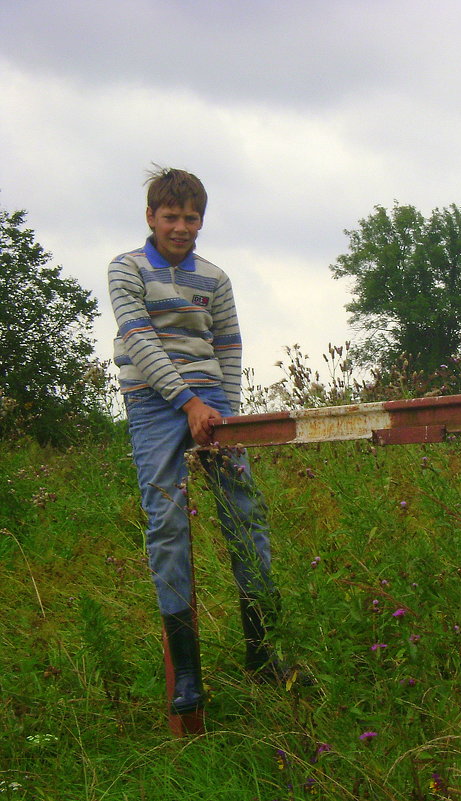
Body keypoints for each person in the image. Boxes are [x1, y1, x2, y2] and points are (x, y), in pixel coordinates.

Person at [109, 166, 304, 716]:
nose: (180, 227)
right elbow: (138, 340)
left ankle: (264, 654)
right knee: (167, 523)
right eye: (170, 217)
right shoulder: (126, 269)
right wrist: (186, 403)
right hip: (153, 405)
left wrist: (229, 418)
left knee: (246, 518)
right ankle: (187, 676)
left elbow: (229, 346)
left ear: (201, 221)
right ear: (151, 217)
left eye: (190, 218)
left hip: (214, 406)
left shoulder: (214, 278)